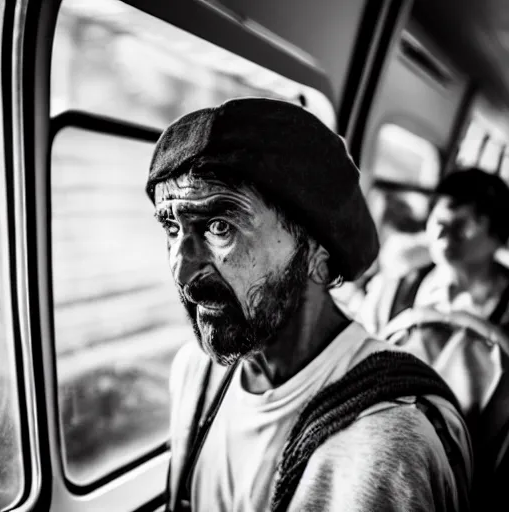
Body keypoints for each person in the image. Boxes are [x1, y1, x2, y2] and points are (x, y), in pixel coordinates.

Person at [145, 98, 472, 511]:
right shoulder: (192, 374)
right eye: (172, 227)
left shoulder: (386, 444)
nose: (183, 272)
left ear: (318, 251)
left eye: (219, 226)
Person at [358, 167, 509, 511]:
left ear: (497, 236)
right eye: (440, 212)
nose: (444, 226)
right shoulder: (396, 286)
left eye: (466, 220)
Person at [359, 167, 509, 335]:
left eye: (461, 226)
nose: (442, 234)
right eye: (439, 222)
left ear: (497, 237)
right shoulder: (394, 288)